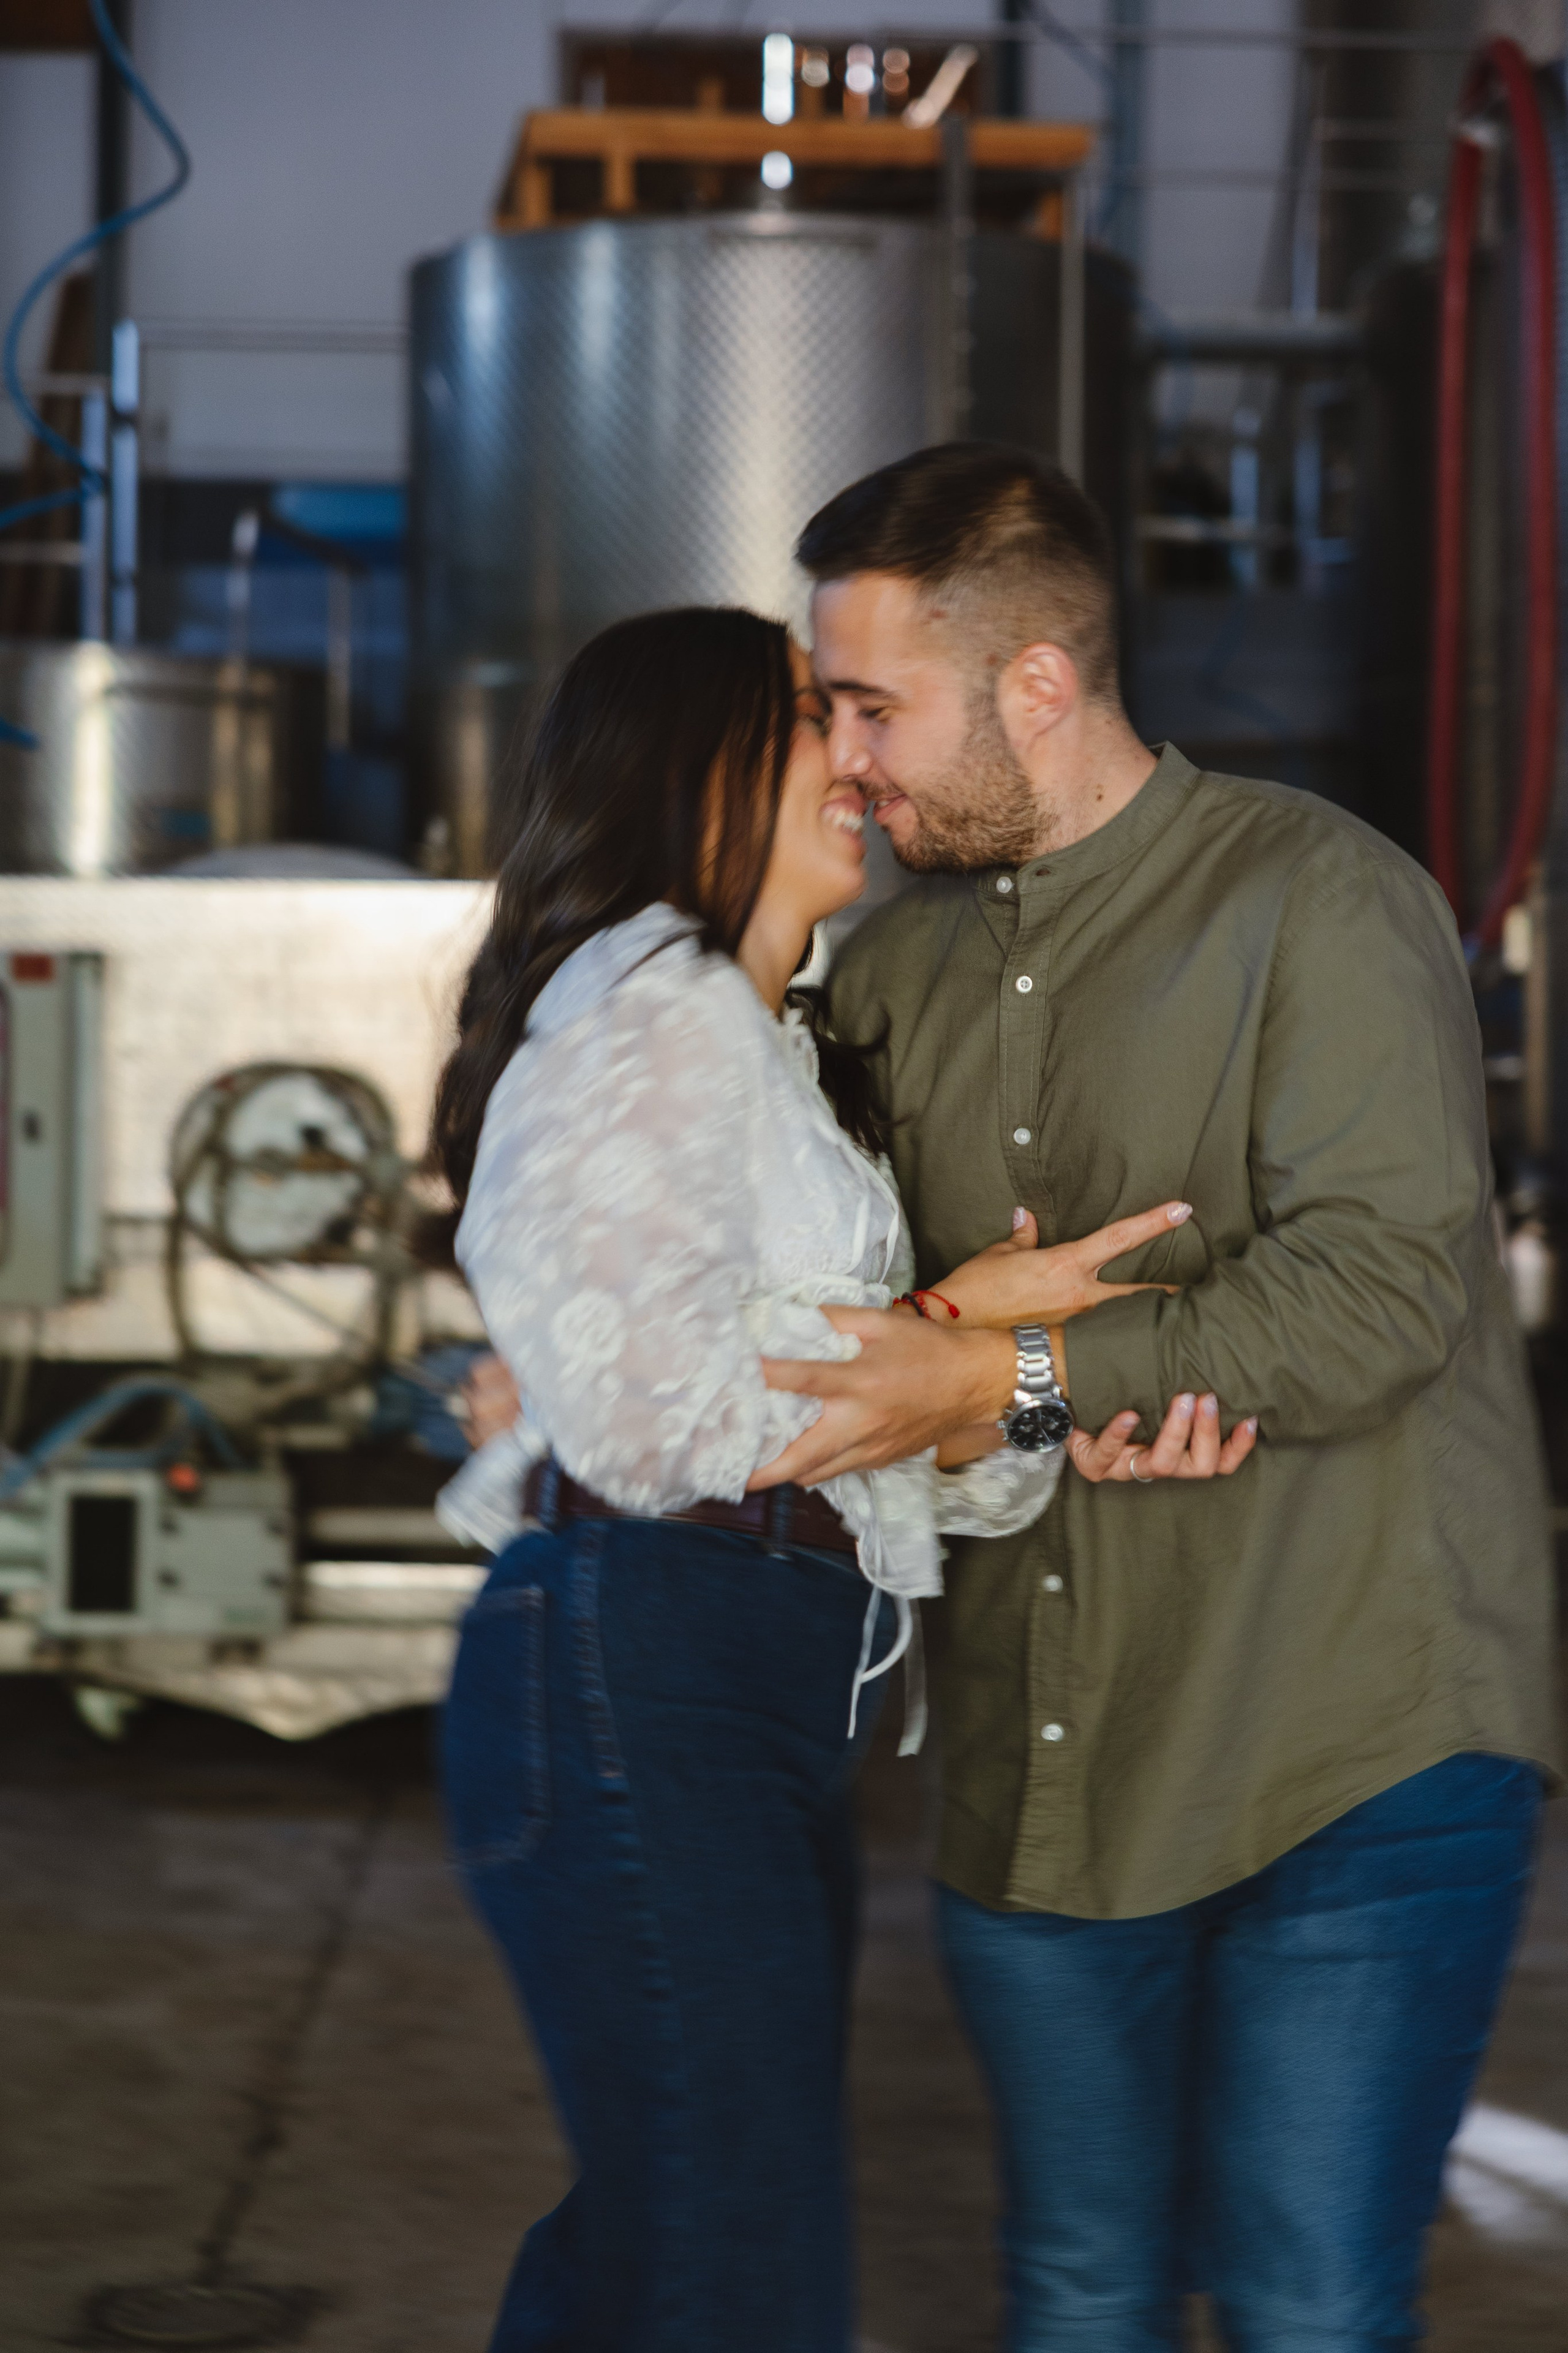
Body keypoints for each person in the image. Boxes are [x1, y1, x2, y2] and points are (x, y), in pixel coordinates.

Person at [745, 441, 1561, 2351]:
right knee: (1082, 2289)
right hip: (1048, 1764)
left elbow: (1377, 1293)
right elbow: (830, 1308)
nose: (845, 757)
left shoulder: (1322, 899)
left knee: (1304, 2301)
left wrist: (1017, 1375)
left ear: (1036, 682)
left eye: (874, 706)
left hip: (1349, 1746)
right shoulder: (887, 968)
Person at [430, 604, 1251, 2353]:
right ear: (694, 761)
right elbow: (653, 1422)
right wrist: (955, 1333)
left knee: (670, 2240)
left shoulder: (766, 1048)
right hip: (646, 1654)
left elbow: (866, 1464)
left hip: (733, 1678)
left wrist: (1024, 1394)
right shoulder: (652, 1004)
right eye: (817, 716)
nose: (862, 758)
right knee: (734, 2262)